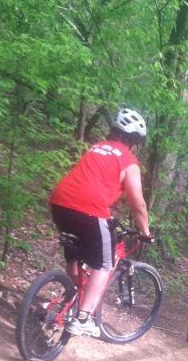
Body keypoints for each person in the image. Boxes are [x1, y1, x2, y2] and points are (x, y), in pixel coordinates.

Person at [48, 107, 152, 338]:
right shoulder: (129, 160)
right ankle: (83, 318)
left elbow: (91, 181)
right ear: (134, 141)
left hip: (59, 203)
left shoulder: (95, 148)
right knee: (103, 266)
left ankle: (70, 296)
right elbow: (138, 204)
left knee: (75, 254)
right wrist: (145, 231)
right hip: (89, 209)